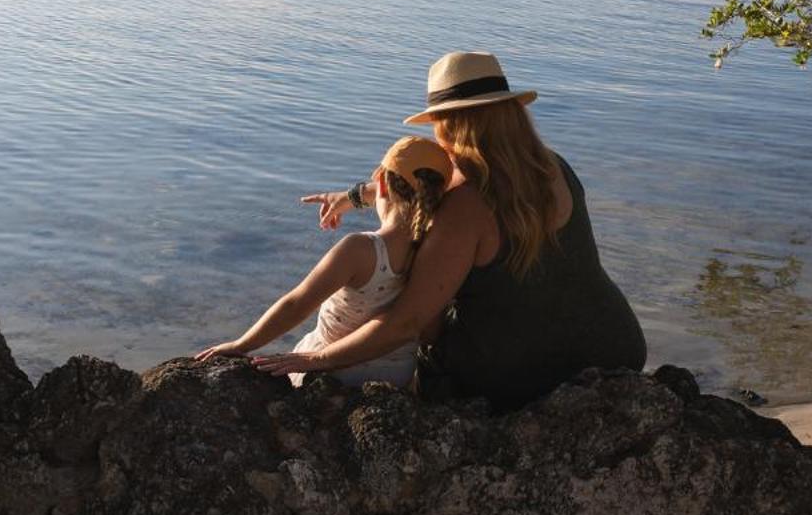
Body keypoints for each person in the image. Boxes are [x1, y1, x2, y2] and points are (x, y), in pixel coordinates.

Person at [255, 51, 645, 410]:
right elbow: (425, 190)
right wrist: (355, 195)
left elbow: (406, 322)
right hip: (614, 346)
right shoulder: (553, 166)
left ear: (450, 126)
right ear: (510, 113)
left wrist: (316, 358)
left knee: (423, 319)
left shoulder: (465, 208)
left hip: (521, 377)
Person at [195, 137, 454, 388]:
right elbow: (429, 331)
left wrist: (241, 345)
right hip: (397, 375)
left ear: (382, 186)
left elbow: (296, 305)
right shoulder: (436, 253)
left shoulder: (361, 249)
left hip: (333, 369)